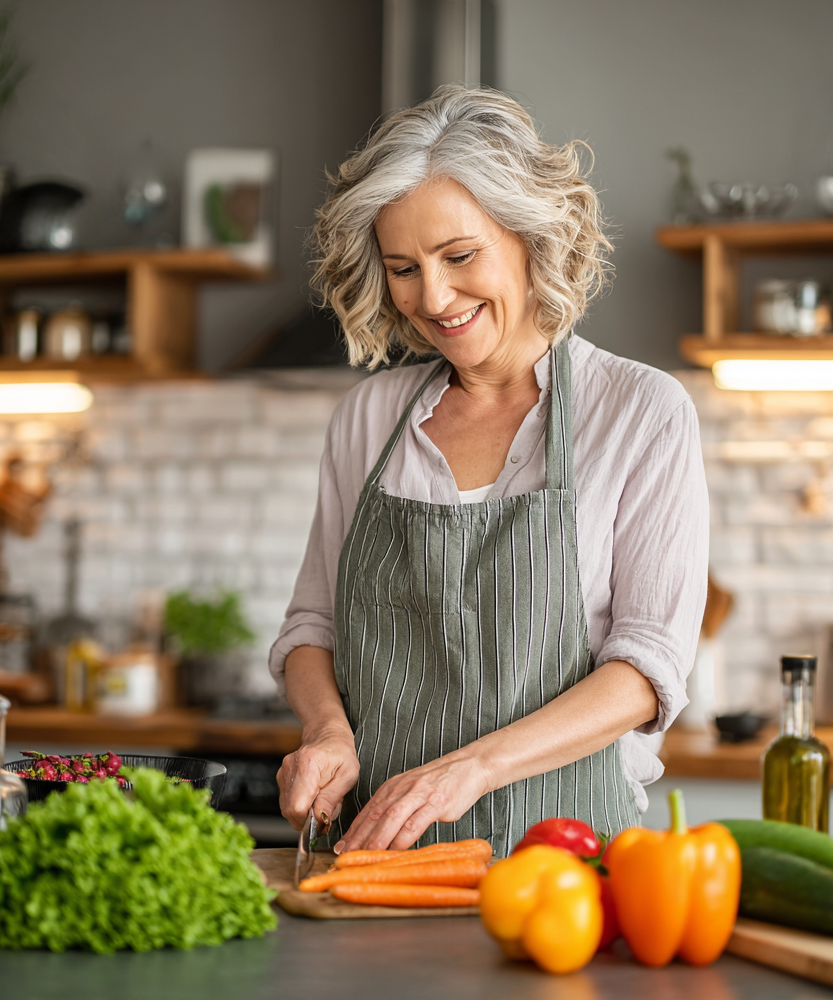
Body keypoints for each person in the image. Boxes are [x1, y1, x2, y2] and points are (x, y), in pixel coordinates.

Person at [270, 84, 708, 857]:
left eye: (459, 255)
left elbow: (648, 669)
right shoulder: (368, 420)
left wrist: (468, 772)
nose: (433, 297)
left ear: (531, 237)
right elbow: (313, 629)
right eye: (403, 267)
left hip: (564, 871)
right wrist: (327, 730)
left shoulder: (641, 411)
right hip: (379, 868)